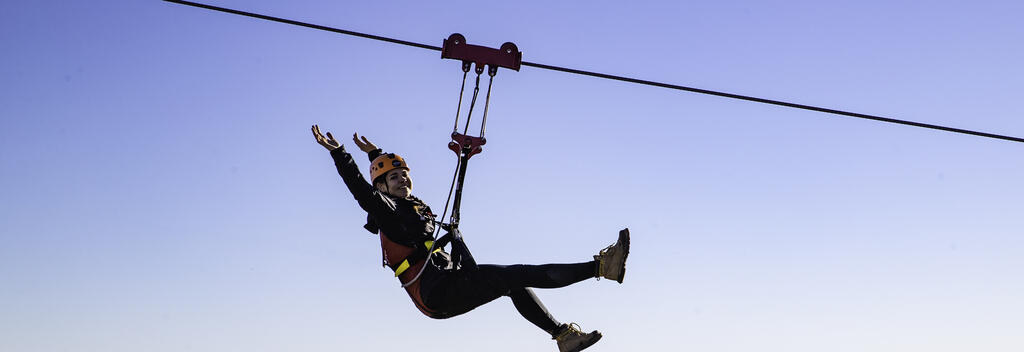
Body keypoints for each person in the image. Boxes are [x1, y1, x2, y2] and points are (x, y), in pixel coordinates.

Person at [312, 125, 630, 352]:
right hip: (436, 293)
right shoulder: (389, 212)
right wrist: (341, 154)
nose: (402, 178)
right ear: (383, 189)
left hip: (446, 285)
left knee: (514, 281)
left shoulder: (411, 208)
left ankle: (564, 336)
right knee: (518, 273)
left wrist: (377, 155)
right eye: (393, 177)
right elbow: (363, 191)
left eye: (404, 173)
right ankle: (602, 267)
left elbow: (388, 183)